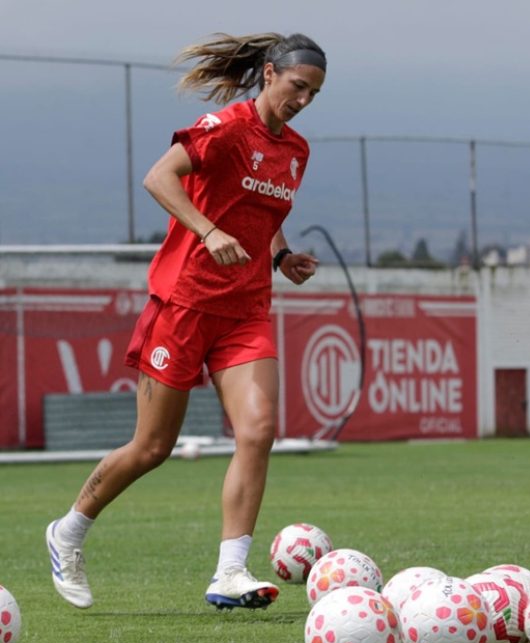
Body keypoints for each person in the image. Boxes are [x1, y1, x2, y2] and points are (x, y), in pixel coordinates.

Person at [45, 32, 325, 610]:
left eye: (314, 93)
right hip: (184, 303)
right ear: (269, 74)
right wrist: (207, 230)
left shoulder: (295, 151)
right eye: (298, 86)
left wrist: (280, 255)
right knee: (152, 448)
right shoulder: (223, 128)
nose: (303, 100)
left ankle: (230, 572)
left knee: (259, 429)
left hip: (246, 309)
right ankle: (67, 531)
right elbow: (158, 178)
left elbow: (260, 209)